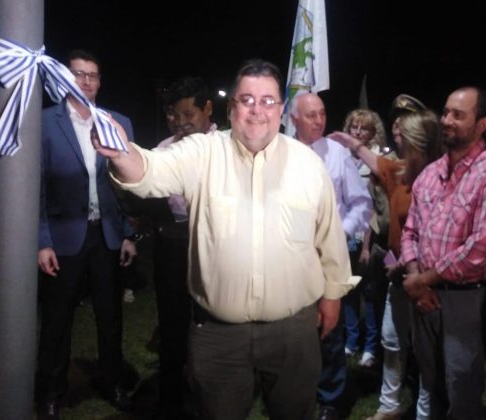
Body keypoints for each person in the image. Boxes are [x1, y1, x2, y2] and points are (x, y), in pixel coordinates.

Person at [93, 59, 356, 420]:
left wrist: (333, 295)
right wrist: (122, 153)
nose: (257, 110)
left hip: (294, 332)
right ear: (231, 107)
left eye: (267, 101)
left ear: (281, 110)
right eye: (247, 100)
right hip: (219, 337)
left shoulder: (308, 164)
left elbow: (329, 235)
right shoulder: (203, 152)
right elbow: (151, 170)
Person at [401, 86, 486, 419]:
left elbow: (480, 249)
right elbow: (410, 231)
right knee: (432, 384)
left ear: (482, 124)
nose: (446, 120)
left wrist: (422, 280)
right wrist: (416, 279)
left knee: (462, 388)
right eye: (446, 112)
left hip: (466, 299)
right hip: (423, 297)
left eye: (458, 115)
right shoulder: (430, 174)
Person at [35, 49, 137, 418]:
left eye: (92, 75)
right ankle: (51, 391)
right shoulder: (44, 123)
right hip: (64, 238)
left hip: (106, 235)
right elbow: (36, 188)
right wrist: (42, 242)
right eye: (79, 74)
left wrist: (128, 233)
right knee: (57, 319)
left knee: (110, 317)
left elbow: (127, 185)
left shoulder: (117, 122)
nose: (86, 81)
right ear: (66, 79)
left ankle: (111, 381)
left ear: (100, 82)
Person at [330, 94, 441, 420]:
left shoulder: (439, 176)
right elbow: (372, 159)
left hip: (428, 278)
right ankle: (389, 405)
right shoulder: (399, 170)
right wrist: (349, 141)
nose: (396, 134)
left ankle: (425, 410)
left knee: (425, 350)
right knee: (392, 340)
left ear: (420, 141)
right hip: (398, 272)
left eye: (404, 133)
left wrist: (415, 271)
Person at [291, 92, 372, 420]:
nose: (319, 120)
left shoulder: (337, 153)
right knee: (291, 327)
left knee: (329, 327)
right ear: (293, 119)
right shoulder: (278, 152)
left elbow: (361, 202)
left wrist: (338, 235)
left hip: (327, 258)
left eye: (322, 113)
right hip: (288, 257)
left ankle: (332, 398)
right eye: (311, 115)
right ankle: (295, 391)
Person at [145, 75, 217, 419]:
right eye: (178, 115)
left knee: (210, 323)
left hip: (214, 250)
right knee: (172, 322)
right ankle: (170, 399)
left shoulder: (226, 148)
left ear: (208, 109)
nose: (183, 122)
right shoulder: (164, 149)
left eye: (190, 114)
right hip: (172, 247)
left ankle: (209, 396)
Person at [341, 108, 391, 368]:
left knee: (370, 294)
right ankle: (351, 341)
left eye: (364, 128)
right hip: (346, 234)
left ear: (374, 132)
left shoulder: (378, 160)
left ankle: (371, 346)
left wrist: (367, 245)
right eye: (354, 127)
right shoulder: (341, 156)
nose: (358, 132)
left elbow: (376, 206)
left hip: (368, 236)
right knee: (348, 289)